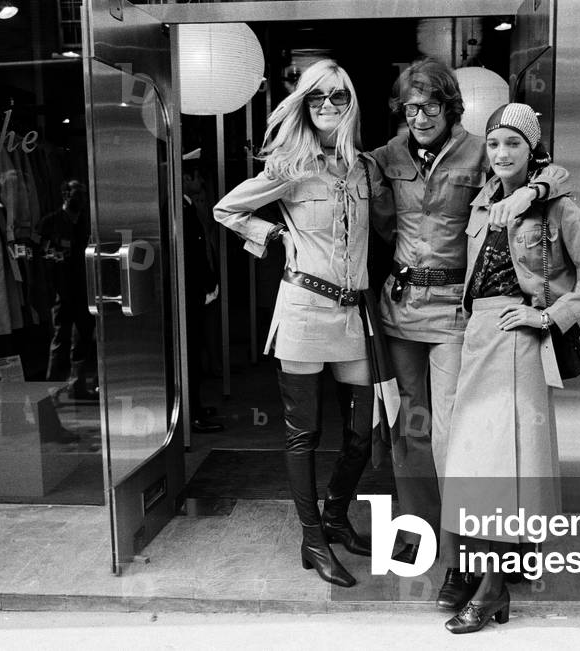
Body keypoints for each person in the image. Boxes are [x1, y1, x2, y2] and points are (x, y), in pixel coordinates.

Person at [368, 58, 568, 606]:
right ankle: (418, 535)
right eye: (411, 107)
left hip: (458, 311)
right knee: (409, 428)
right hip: (400, 307)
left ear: (450, 106)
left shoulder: (483, 148)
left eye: (431, 105)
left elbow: (553, 172)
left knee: (454, 435)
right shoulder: (387, 155)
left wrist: (528, 194)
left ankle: (468, 556)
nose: (421, 116)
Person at [440, 103, 580, 634]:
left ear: (531, 148)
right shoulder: (481, 204)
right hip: (476, 341)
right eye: (493, 143)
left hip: (518, 344)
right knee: (476, 468)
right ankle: (491, 582)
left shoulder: (557, 206)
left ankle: (492, 590)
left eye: (512, 143)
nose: (500, 153)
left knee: (500, 470)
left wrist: (547, 316)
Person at [213, 59, 382, 588]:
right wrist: (275, 238)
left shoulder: (364, 167)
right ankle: (311, 537)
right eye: (316, 99)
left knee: (361, 432)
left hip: (354, 312)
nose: (328, 106)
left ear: (351, 101)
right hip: (305, 310)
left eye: (337, 97)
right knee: (302, 433)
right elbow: (226, 209)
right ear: (304, 107)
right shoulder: (291, 164)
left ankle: (335, 516)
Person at [38, 179, 97, 401]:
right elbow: (41, 256)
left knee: (82, 340)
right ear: (65, 195)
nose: (80, 198)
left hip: (83, 291)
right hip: (61, 292)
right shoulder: (51, 222)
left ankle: (77, 386)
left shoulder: (85, 224)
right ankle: (52, 391)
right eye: (76, 193)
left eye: (82, 193)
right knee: (60, 341)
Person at [182, 149, 223, 433]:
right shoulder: (181, 210)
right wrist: (208, 282)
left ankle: (194, 406)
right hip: (190, 291)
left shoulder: (186, 207)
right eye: (198, 177)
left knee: (193, 351)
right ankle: (191, 412)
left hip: (192, 289)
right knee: (190, 354)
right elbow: (193, 256)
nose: (203, 184)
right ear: (186, 177)